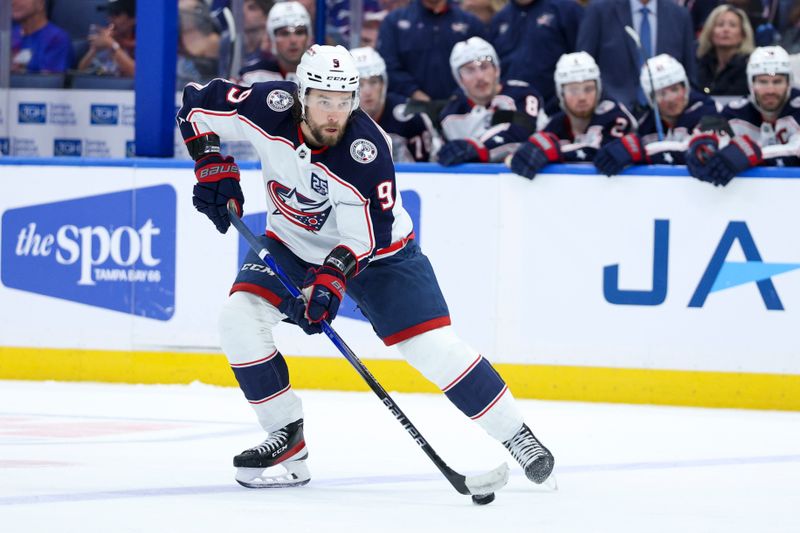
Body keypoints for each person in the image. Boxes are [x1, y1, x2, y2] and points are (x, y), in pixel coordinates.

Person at [176, 44, 555, 489]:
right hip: (292, 243)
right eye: (323, 100)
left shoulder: (366, 150)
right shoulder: (267, 105)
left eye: (344, 101)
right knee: (238, 319)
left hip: (381, 255)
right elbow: (195, 106)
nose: (334, 113)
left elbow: (365, 238)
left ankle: (517, 435)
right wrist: (212, 165)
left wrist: (328, 283)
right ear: (301, 95)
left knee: (432, 348)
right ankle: (286, 435)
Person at [507, 52, 637, 179]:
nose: (582, 97)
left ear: (598, 89)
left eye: (588, 89)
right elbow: (532, 150)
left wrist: (552, 152)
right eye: (573, 90)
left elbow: (601, 155)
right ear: (561, 93)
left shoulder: (614, 116)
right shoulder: (555, 124)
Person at [687, 45, 800, 186]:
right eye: (763, 82)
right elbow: (709, 132)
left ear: (789, 83)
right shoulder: (736, 112)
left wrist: (751, 153)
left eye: (777, 81)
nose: (770, 90)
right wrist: (703, 146)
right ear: (751, 84)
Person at [594, 53, 719, 175]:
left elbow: (701, 154)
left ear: (685, 88)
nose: (670, 99)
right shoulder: (643, 123)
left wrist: (642, 152)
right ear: (650, 98)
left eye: (675, 89)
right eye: (661, 93)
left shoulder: (709, 111)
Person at [436, 37, 547, 166]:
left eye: (484, 67)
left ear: (496, 70)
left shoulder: (520, 95)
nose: (479, 77)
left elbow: (520, 133)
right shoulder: (450, 116)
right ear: (459, 79)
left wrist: (477, 148)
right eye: (469, 70)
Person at [576, 0, 696, 114]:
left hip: (665, 114)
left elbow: (689, 71)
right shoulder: (600, 10)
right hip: (615, 113)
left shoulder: (679, 14)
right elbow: (584, 63)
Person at [377, 0, 486, 101]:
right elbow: (387, 64)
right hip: (409, 104)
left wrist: (459, 94)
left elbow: (485, 62)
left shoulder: (470, 22)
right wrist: (413, 92)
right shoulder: (394, 22)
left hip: (462, 103)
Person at [489, 0, 583, 113]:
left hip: (556, 110)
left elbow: (582, 58)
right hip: (512, 110)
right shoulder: (500, 19)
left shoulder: (566, 9)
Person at [351, 46, 442, 162]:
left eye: (373, 82)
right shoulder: (338, 119)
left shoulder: (410, 117)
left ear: (383, 84)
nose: (367, 92)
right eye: (359, 84)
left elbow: (432, 164)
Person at [240, 1, 312, 86]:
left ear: (309, 37)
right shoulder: (252, 76)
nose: (293, 40)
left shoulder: (323, 74)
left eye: (299, 32)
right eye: (284, 33)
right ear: (271, 39)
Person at [696, 5, 755, 97]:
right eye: (720, 25)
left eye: (732, 25)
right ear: (710, 32)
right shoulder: (700, 63)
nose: (726, 30)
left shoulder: (750, 66)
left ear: (743, 34)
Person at [11, 0, 73, 74]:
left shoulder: (57, 39)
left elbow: (48, 80)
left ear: (40, 3)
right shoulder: (8, 36)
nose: (13, 2)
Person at [77, 0, 136, 77]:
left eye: (116, 15)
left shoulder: (144, 43)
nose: (110, 20)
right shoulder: (108, 39)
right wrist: (94, 49)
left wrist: (112, 45)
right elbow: (81, 72)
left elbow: (136, 73)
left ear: (133, 19)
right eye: (109, 14)